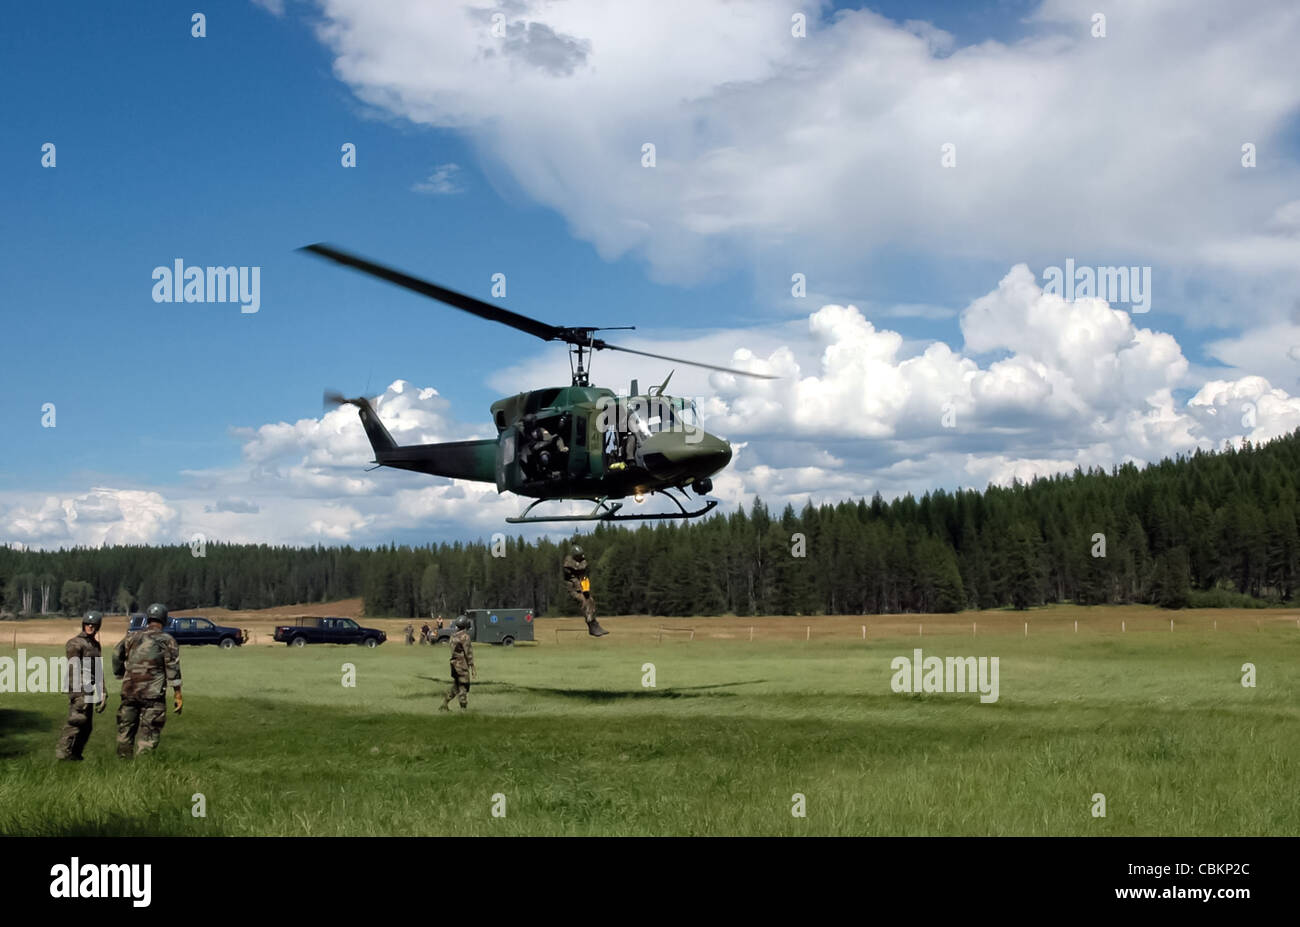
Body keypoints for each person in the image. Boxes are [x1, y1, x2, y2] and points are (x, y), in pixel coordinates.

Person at [112, 602, 182, 759]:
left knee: (125, 732)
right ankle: (142, 768)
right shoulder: (166, 640)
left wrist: (121, 673)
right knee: (149, 735)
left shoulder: (131, 637)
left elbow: (116, 653)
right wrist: (178, 694)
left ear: (148, 618)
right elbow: (173, 667)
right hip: (153, 696)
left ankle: (122, 765)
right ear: (164, 619)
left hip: (129, 692)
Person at [54, 610, 106, 761]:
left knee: (87, 727)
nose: (91, 627)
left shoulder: (95, 645)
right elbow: (73, 668)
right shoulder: (75, 643)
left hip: (89, 689)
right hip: (79, 688)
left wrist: (102, 692)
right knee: (77, 720)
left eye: (94, 624)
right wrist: (78, 692)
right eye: (88, 624)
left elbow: (98, 670)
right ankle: (63, 754)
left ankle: (75, 755)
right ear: (83, 624)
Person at [563, 544, 608, 637]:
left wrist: (586, 588)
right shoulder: (568, 564)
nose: (581, 558)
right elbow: (574, 575)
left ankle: (594, 624)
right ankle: (591, 625)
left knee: (591, 601)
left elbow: (583, 573)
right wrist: (581, 588)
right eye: (579, 557)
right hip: (574, 590)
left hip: (582, 587)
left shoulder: (581, 561)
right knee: (584, 602)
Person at [439, 616, 476, 711]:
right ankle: (463, 709)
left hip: (454, 663)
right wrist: (472, 665)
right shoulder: (465, 636)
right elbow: (468, 652)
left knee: (456, 685)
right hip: (462, 664)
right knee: (463, 685)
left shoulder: (453, 636)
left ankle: (444, 704)